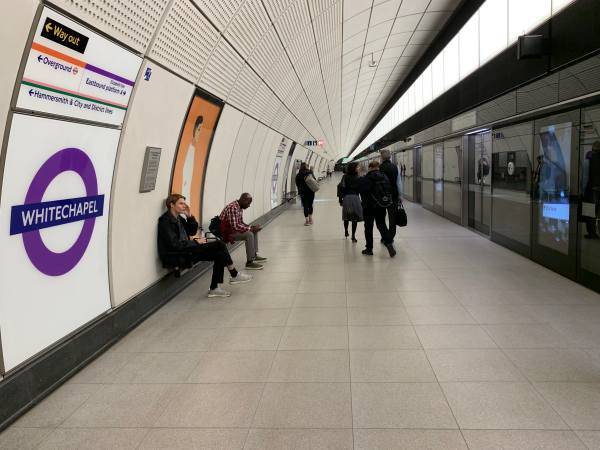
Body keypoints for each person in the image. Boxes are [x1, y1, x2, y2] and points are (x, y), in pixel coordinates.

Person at [157, 194, 251, 298]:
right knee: (219, 244)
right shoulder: (165, 221)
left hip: (187, 249)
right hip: (176, 255)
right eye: (181, 203)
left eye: (184, 203)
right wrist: (196, 242)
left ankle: (214, 288)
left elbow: (192, 232)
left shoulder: (179, 218)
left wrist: (189, 217)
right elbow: (174, 245)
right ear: (171, 205)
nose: (184, 206)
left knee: (219, 253)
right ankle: (233, 274)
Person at [357, 161, 396, 257]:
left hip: (368, 207)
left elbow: (360, 190)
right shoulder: (384, 177)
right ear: (378, 167)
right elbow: (389, 189)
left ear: (370, 167)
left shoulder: (366, 178)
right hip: (381, 206)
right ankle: (389, 243)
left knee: (368, 228)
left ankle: (369, 249)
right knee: (382, 225)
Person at [220, 193, 267, 270]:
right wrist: (250, 229)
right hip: (226, 233)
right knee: (249, 234)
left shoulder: (239, 207)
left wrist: (251, 227)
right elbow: (235, 227)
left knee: (253, 231)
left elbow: (241, 223)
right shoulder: (233, 208)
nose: (249, 205)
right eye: (248, 203)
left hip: (231, 230)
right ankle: (249, 262)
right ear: (243, 200)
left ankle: (253, 255)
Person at [338, 162, 362, 242]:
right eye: (357, 167)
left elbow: (341, 187)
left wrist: (340, 200)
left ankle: (346, 230)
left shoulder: (345, 177)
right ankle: (353, 236)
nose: (358, 168)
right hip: (355, 198)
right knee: (354, 218)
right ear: (354, 168)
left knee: (346, 216)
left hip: (346, 198)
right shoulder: (358, 177)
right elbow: (360, 188)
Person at [380, 149, 398, 241]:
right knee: (392, 217)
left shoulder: (380, 168)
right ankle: (391, 237)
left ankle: (384, 236)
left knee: (381, 218)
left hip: (382, 196)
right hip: (393, 195)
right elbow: (398, 182)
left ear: (382, 157)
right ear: (390, 157)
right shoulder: (395, 167)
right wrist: (400, 196)